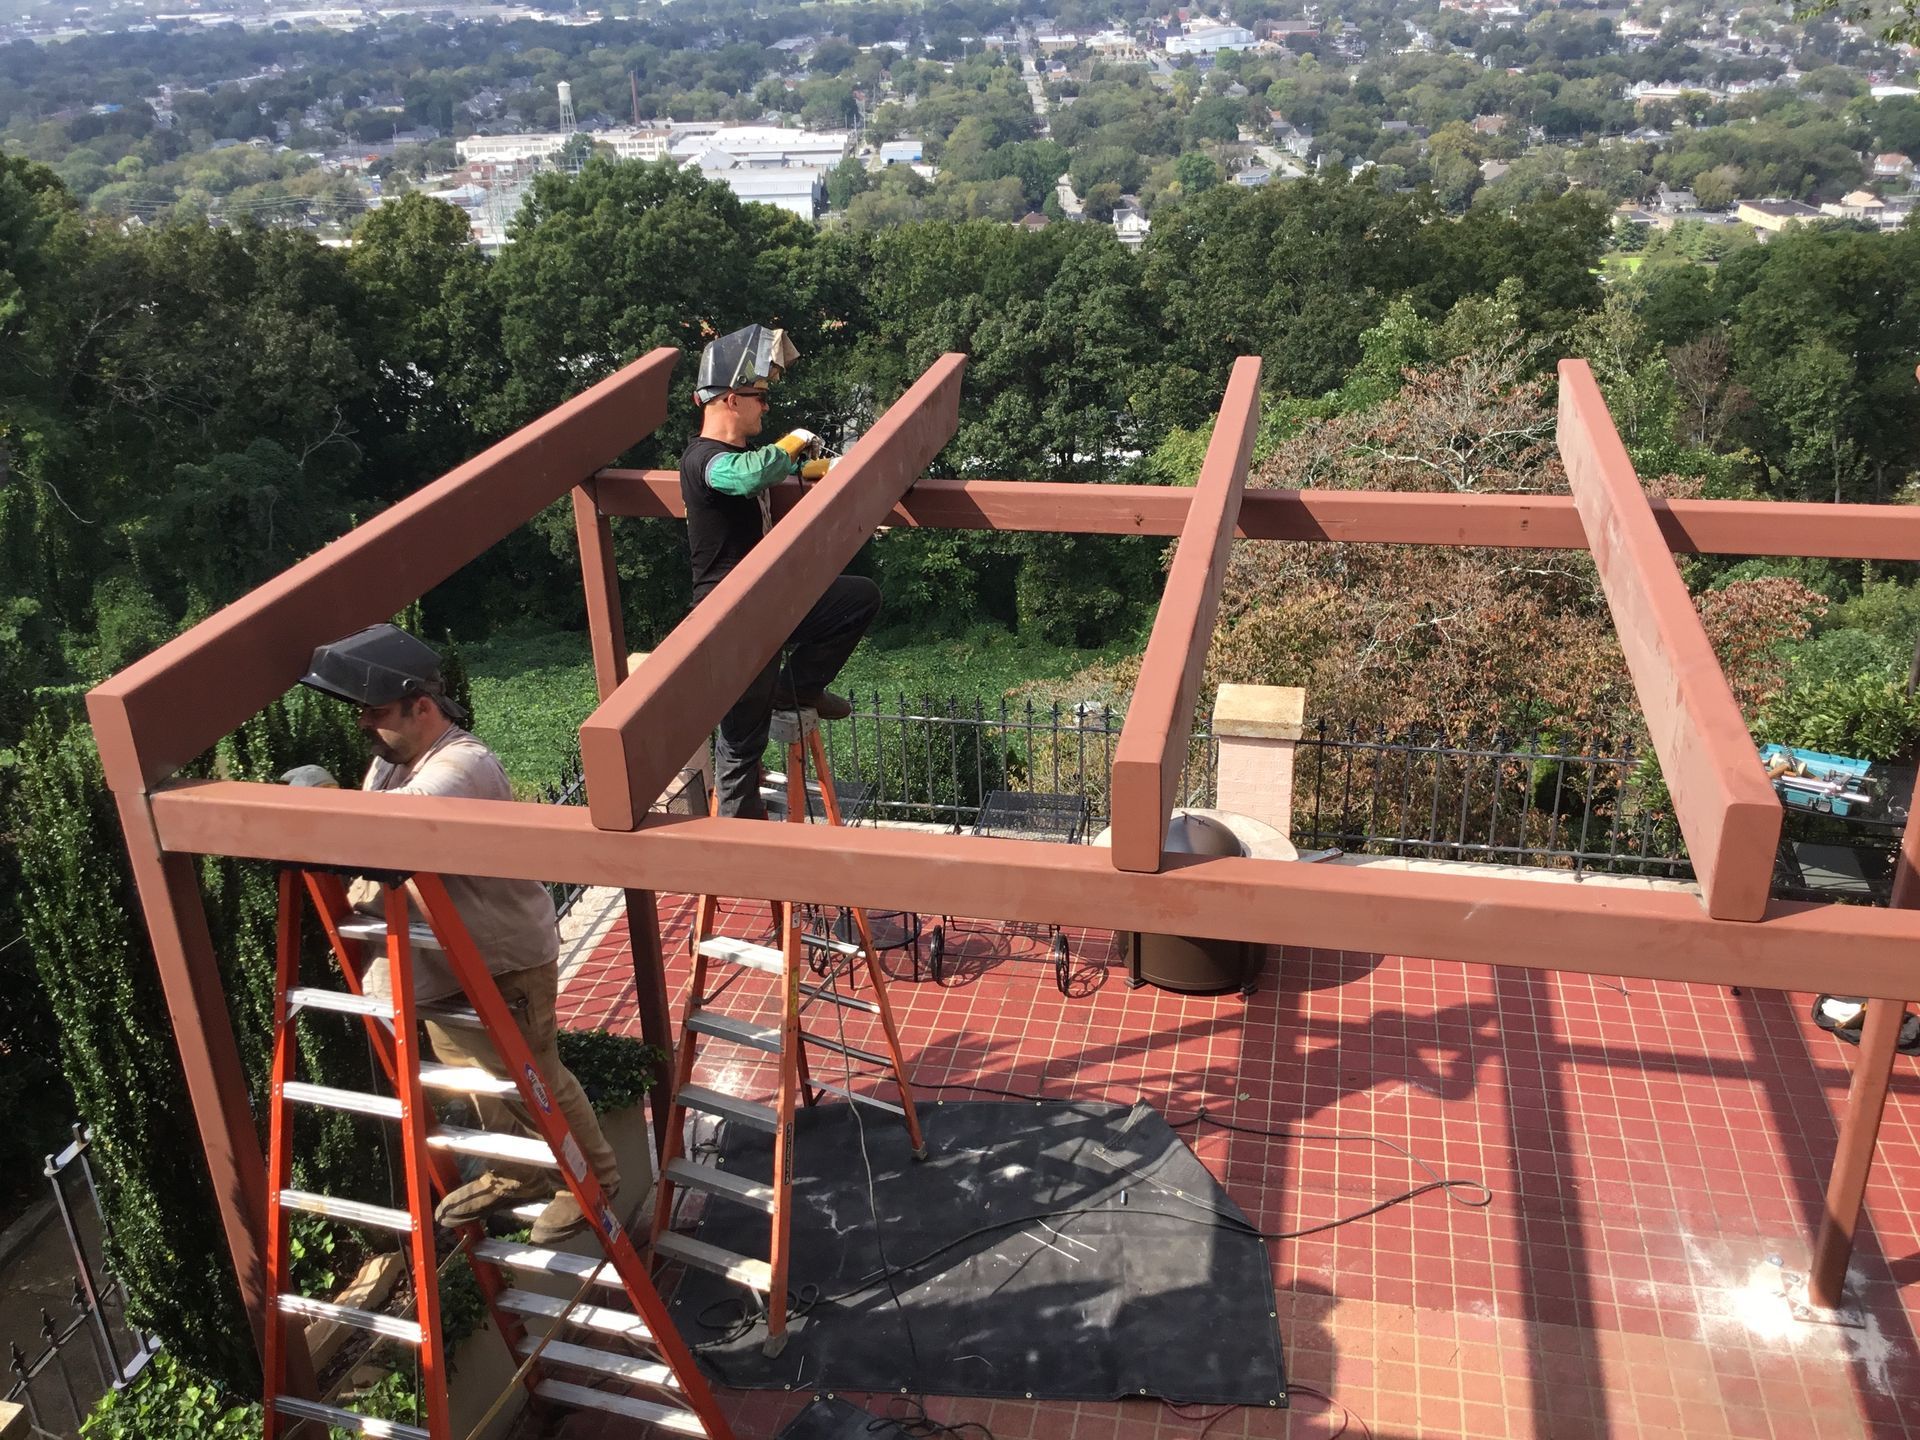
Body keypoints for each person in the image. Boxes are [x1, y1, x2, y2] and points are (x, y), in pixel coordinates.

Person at [298, 623, 619, 1244]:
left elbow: (392, 831)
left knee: (533, 1074)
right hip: (447, 960)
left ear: (422, 706)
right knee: (476, 1080)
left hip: (501, 960)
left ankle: (597, 1177)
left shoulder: (461, 764)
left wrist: (320, 799)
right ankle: (517, 1172)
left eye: (377, 711)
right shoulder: (391, 763)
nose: (365, 723)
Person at [680, 323, 880, 819]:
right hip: (730, 617)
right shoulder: (704, 459)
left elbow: (766, 472)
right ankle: (741, 851)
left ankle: (793, 691)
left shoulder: (738, 458)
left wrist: (825, 471)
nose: (765, 407)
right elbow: (745, 477)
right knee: (740, 746)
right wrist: (795, 441)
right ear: (731, 399)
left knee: (856, 599)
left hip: (765, 605)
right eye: (759, 397)